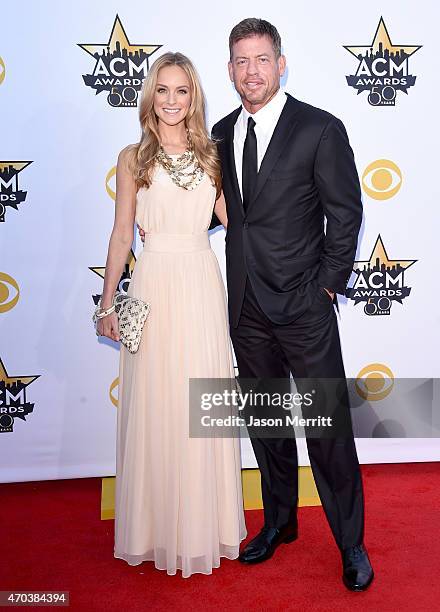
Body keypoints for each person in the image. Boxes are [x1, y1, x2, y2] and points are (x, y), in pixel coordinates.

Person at [140, 18, 374, 591]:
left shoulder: (320, 129)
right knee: (268, 428)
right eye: (241, 61)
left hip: (304, 307)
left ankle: (351, 544)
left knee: (327, 429)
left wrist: (326, 286)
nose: (252, 71)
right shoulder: (216, 135)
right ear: (229, 70)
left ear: (280, 63)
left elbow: (345, 215)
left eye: (261, 59)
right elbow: (212, 209)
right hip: (245, 309)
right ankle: (278, 523)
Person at [96, 51, 246, 578]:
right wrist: (108, 300)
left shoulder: (213, 156)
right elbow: (121, 234)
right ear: (149, 95)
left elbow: (239, 225)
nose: (172, 100)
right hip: (155, 282)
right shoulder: (132, 157)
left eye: (182, 90)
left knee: (199, 404)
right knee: (157, 403)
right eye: (162, 89)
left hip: (202, 285)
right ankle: (155, 529)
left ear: (194, 97)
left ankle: (204, 526)